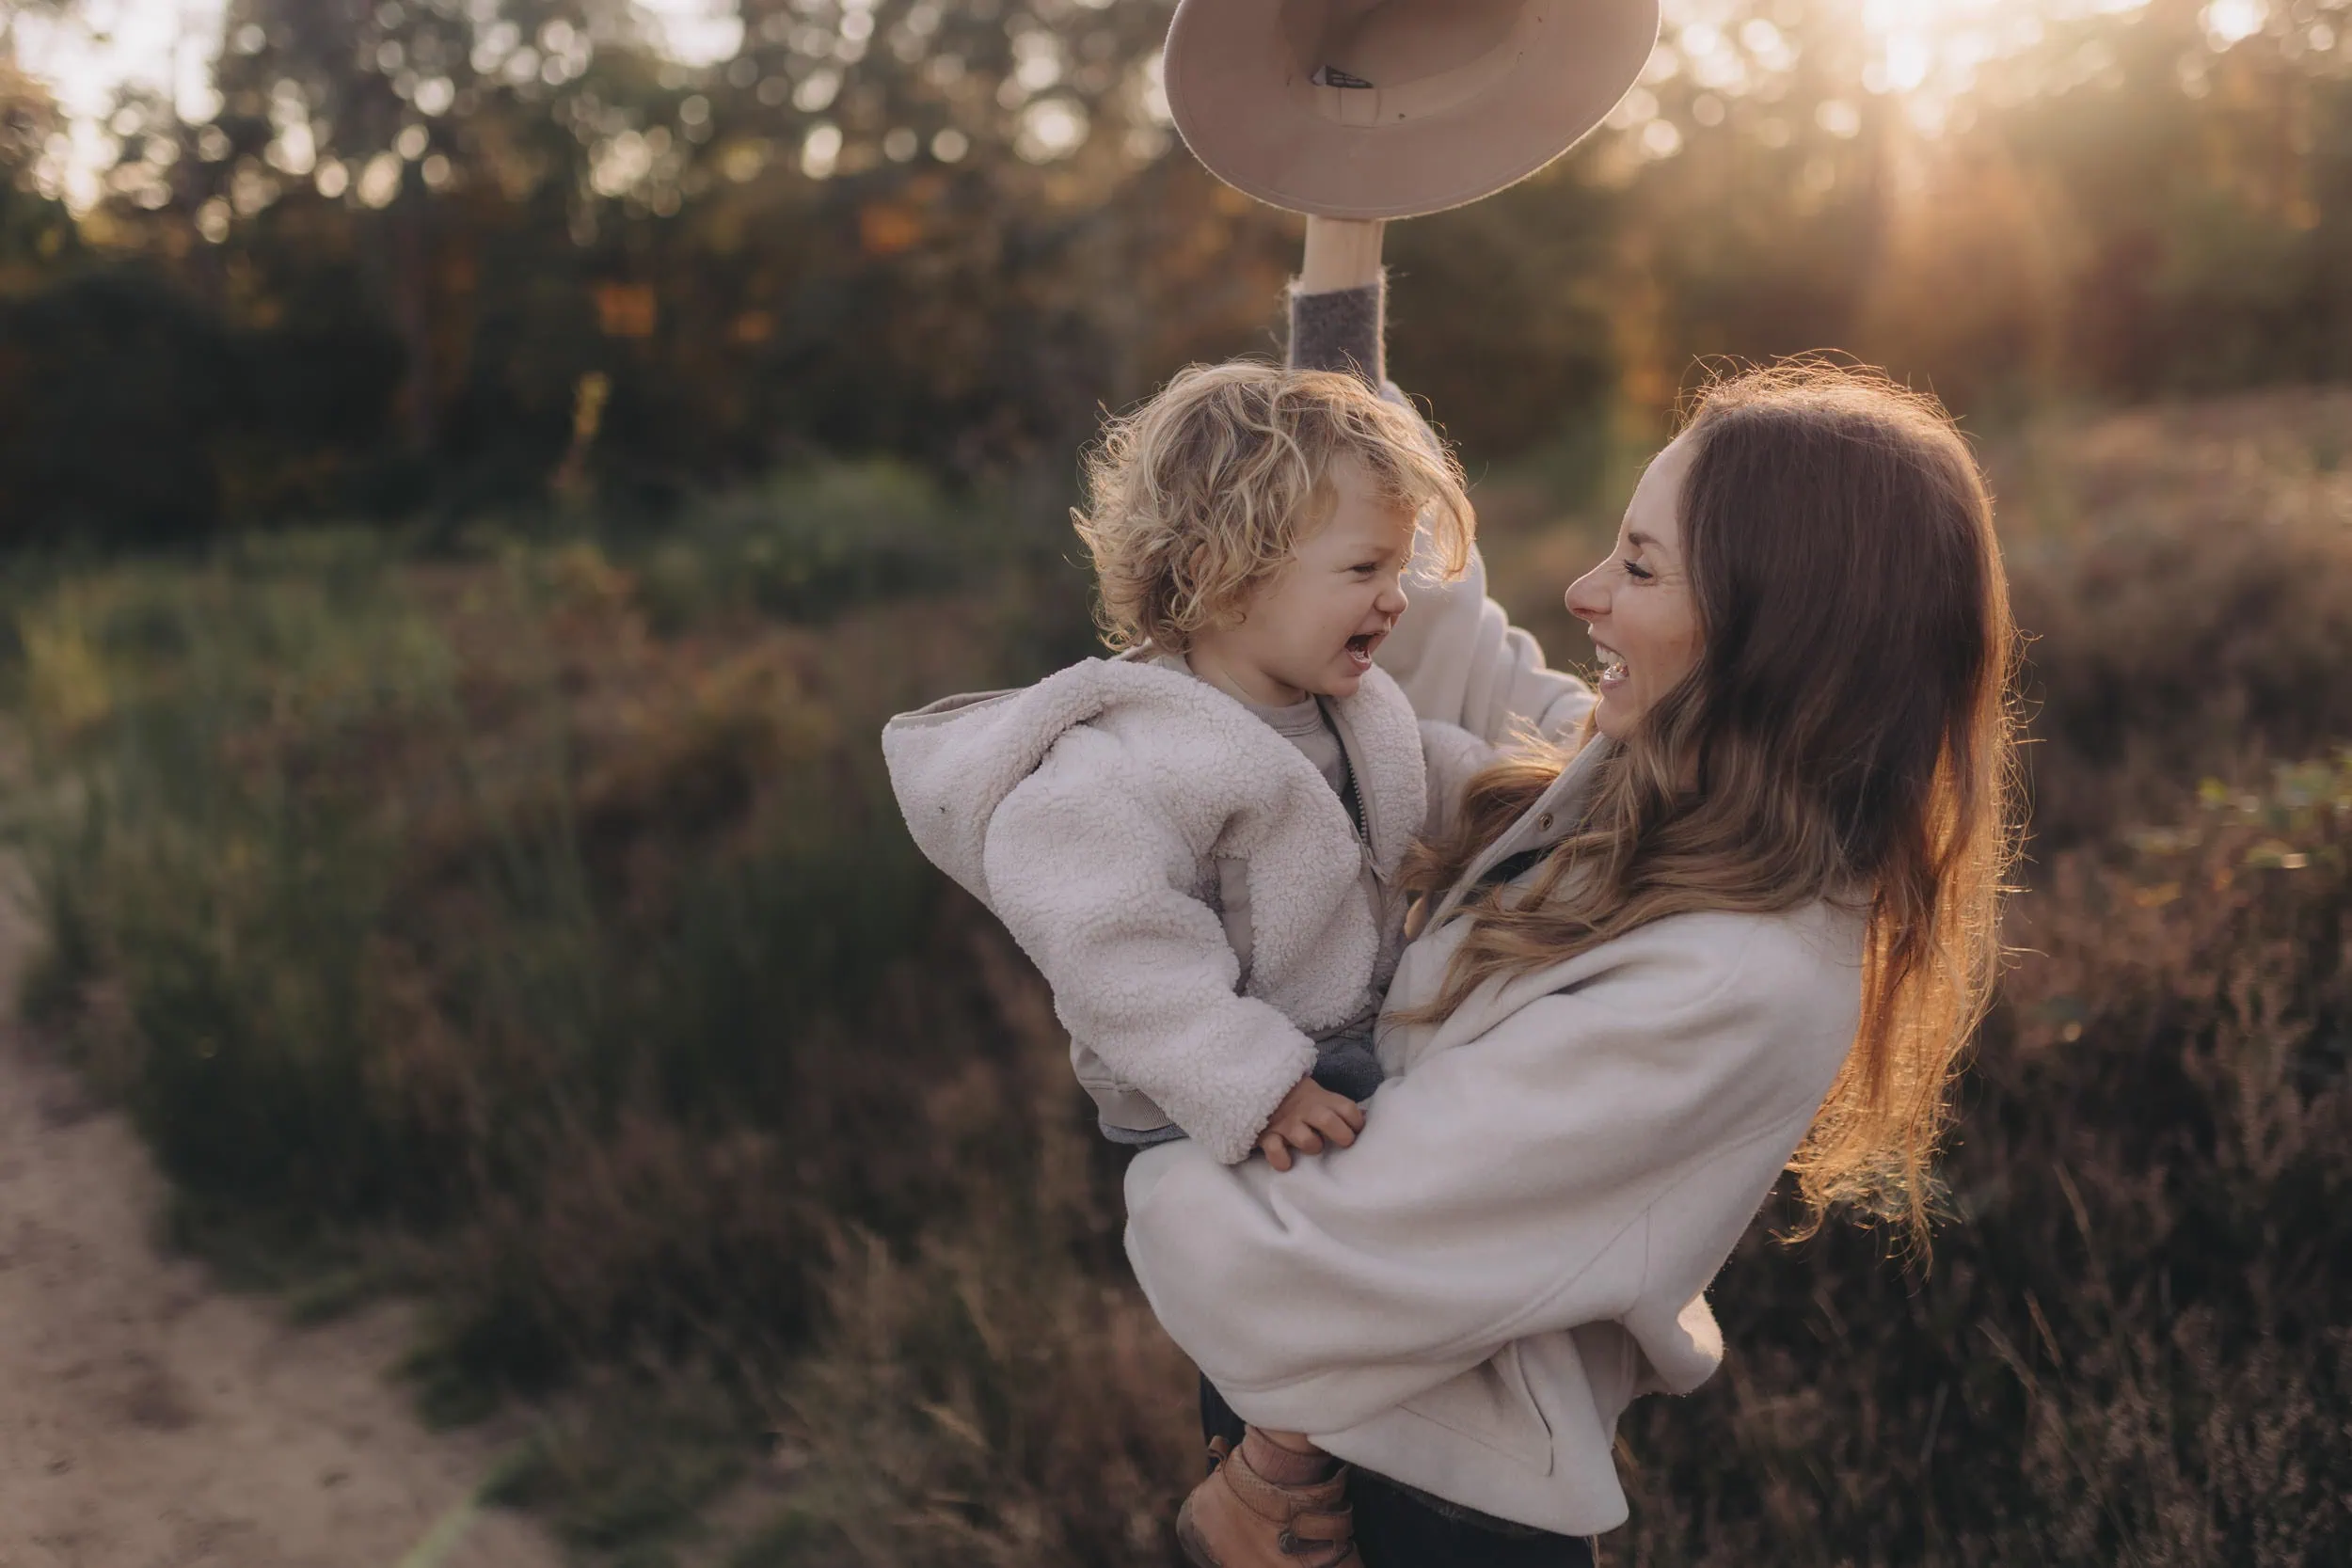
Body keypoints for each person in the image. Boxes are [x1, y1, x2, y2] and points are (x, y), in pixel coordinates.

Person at [1140, 219, 2019, 1568]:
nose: (1586, 590)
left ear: (1780, 633)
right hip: (1323, 1425)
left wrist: (1162, 1160)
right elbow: (1424, 629)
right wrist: (1343, 230)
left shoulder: (1736, 975)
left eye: (1645, 568)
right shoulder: (1637, 775)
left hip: (1429, 1509)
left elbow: (1323, 1262)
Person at [881, 353, 1589, 1176]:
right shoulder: (1121, 764)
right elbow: (1120, 958)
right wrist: (1262, 1085)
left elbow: (1426, 774)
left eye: (1399, 567)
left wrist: (1538, 798)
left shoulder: (1351, 704)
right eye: (1366, 568)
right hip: (1207, 1095)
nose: (1396, 596)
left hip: (1344, 1046)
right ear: (1226, 575)